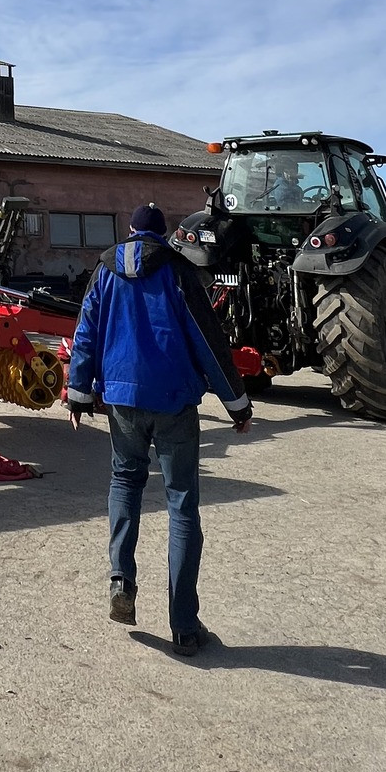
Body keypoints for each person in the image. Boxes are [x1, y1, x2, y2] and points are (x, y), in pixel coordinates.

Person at [66, 202, 253, 656]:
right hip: (174, 402)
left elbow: (85, 333)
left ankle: (121, 582)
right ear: (163, 234)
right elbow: (207, 339)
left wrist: (78, 394)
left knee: (124, 483)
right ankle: (184, 626)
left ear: (130, 231)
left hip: (123, 401)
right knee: (182, 504)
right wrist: (237, 403)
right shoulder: (178, 271)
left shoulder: (105, 270)